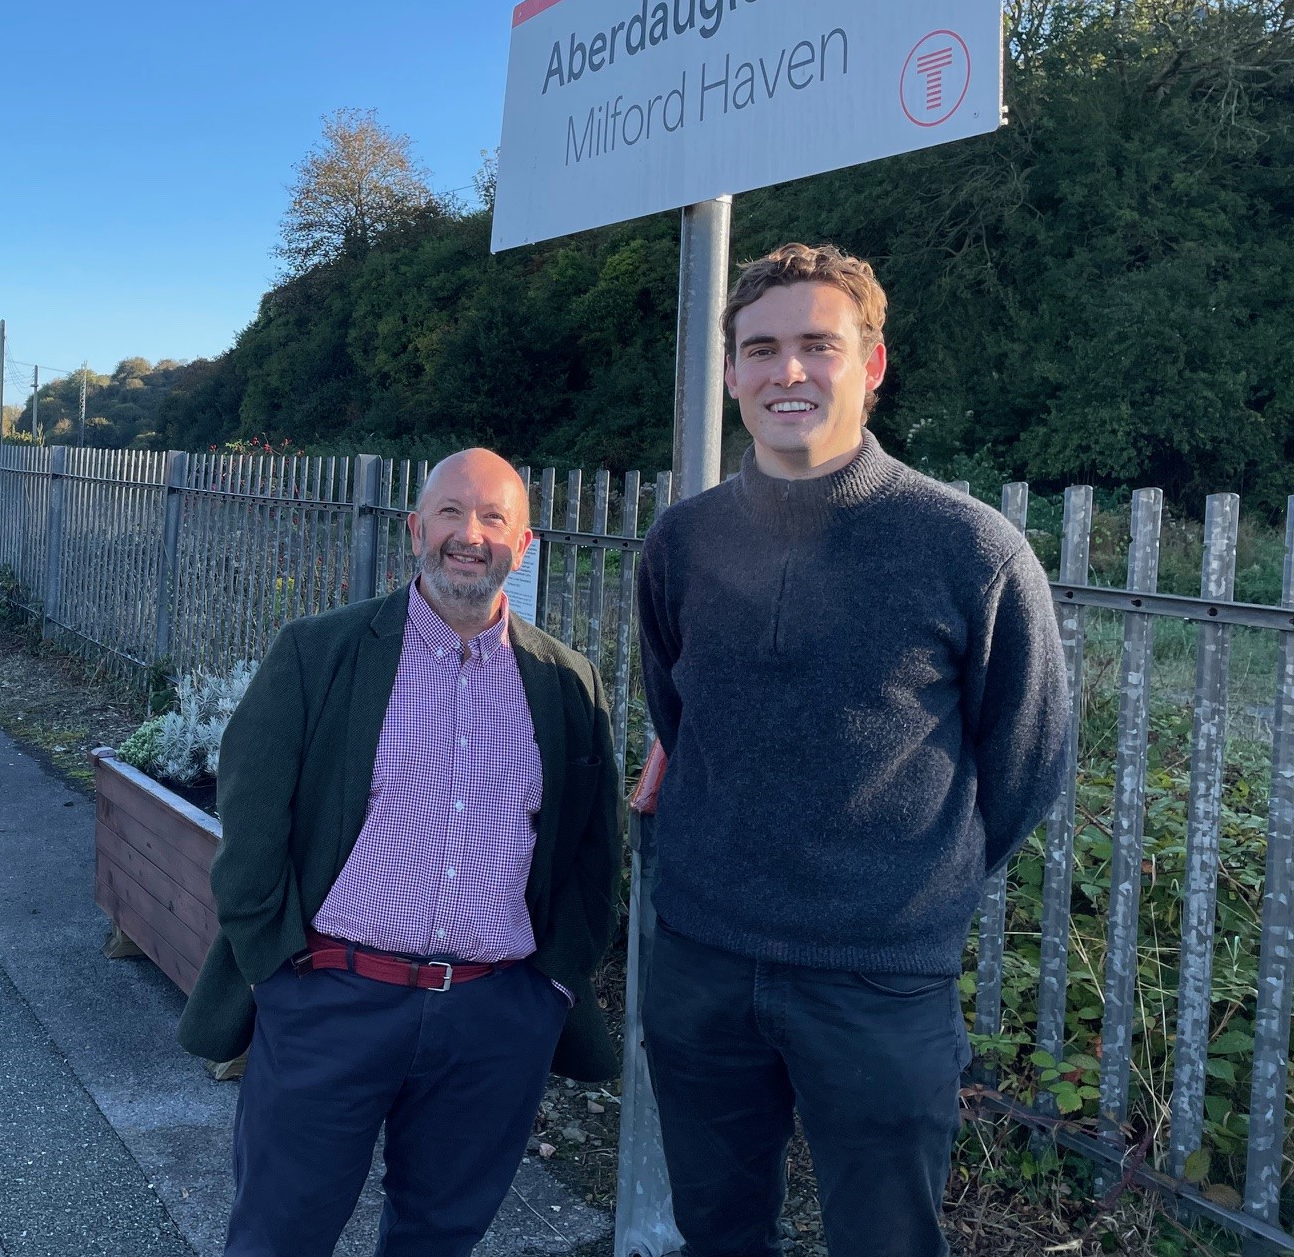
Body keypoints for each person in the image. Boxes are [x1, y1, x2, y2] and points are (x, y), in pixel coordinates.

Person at [635, 243, 1069, 1256]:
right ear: (732, 371)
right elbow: (679, 714)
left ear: (871, 365)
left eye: (817, 346)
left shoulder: (969, 549)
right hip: (702, 960)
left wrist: (904, 890)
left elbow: (1028, 758)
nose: (788, 372)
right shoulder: (683, 544)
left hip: (877, 978)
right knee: (719, 1234)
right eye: (761, 349)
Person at [179, 447, 621, 1257]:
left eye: (494, 518)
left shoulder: (566, 682)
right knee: (279, 1234)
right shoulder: (319, 654)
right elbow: (250, 823)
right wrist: (278, 971)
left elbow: (595, 857)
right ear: (416, 529)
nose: (470, 534)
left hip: (495, 1018)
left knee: (440, 1237)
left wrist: (549, 987)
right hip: (332, 1000)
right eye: (451, 512)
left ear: (522, 548)